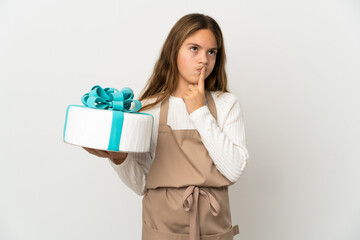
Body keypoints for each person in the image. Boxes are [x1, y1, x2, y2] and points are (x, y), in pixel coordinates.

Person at [83, 13, 249, 240]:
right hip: (161, 230)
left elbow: (234, 170)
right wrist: (118, 157)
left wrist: (199, 111)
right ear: (174, 51)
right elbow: (141, 184)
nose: (204, 60)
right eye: (194, 49)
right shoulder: (150, 108)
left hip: (213, 229)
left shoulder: (225, 104)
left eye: (212, 52)